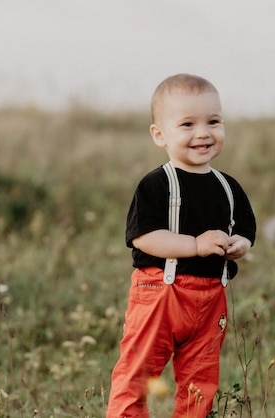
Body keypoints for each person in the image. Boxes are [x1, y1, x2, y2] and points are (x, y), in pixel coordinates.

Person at [106, 73, 257, 418]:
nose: (203, 133)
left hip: (210, 299)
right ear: (160, 134)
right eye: (187, 124)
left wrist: (240, 244)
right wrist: (195, 245)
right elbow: (143, 235)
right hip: (161, 293)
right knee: (138, 375)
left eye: (213, 122)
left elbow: (247, 228)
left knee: (200, 382)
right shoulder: (157, 183)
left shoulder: (227, 186)